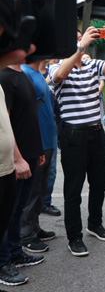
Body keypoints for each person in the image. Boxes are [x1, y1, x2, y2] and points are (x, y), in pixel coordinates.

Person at [49, 25, 105, 257]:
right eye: (76, 40)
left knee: (99, 183)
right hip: (73, 135)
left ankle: (95, 223)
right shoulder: (56, 67)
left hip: (96, 132)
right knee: (73, 189)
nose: (82, 42)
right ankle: (74, 237)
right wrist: (79, 48)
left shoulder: (93, 65)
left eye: (81, 38)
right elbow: (60, 76)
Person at [0, 63, 44, 286]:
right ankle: (3, 261)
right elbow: (6, 122)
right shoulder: (5, 77)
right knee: (8, 211)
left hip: (30, 153)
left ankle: (15, 252)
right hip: (16, 159)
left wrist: (37, 151)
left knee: (18, 208)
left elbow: (28, 116)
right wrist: (18, 159)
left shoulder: (23, 75)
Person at [19, 59, 58, 254]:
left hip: (47, 142)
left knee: (41, 190)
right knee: (32, 192)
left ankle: (33, 228)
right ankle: (25, 235)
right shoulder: (24, 73)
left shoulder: (38, 74)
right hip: (37, 144)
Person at [41, 59, 61, 217]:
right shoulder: (28, 74)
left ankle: (45, 202)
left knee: (51, 169)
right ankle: (31, 206)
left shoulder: (56, 71)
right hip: (33, 125)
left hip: (51, 124)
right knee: (35, 169)